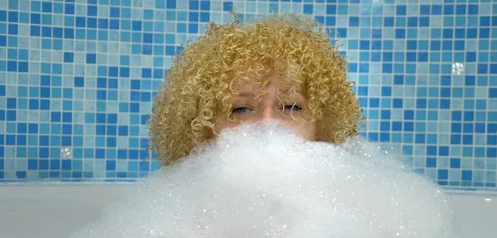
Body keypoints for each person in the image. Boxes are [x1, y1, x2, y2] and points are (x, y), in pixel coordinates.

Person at [149, 13, 363, 166]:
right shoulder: (180, 220)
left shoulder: (348, 213)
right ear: (204, 131)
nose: (266, 123)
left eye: (290, 106)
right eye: (240, 109)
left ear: (322, 127)